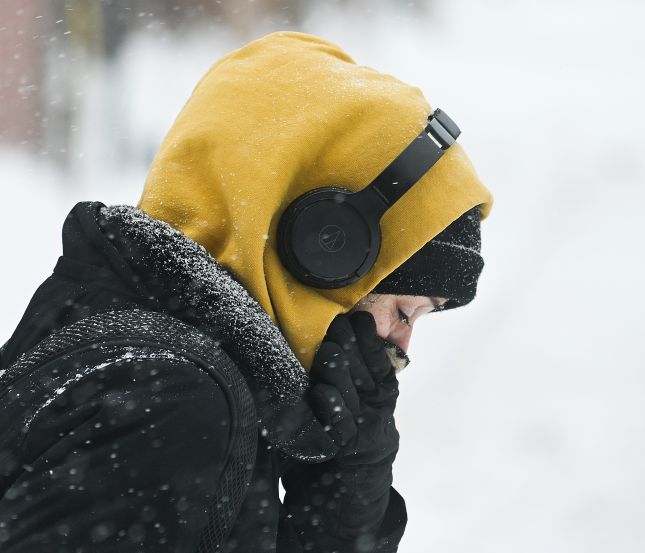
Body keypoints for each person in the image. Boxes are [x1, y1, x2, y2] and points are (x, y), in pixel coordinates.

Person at [0, 31, 492, 552]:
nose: (401, 344)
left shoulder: (128, 335)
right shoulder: (174, 405)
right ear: (321, 250)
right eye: (402, 310)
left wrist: (343, 496)